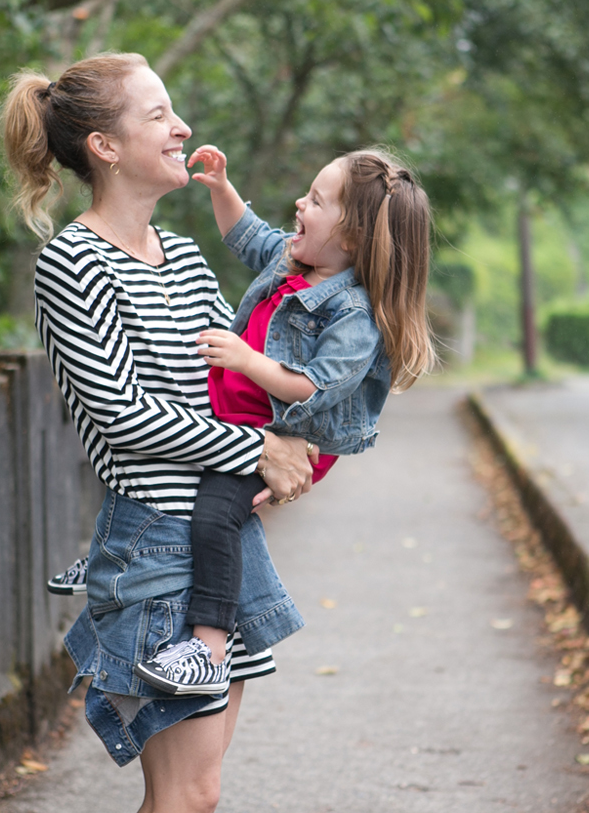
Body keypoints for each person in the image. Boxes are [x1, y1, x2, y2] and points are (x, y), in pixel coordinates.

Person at [1, 52, 315, 813]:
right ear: (104, 145)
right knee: (184, 795)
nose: (181, 127)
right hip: (153, 545)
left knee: (196, 797)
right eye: (159, 113)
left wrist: (279, 444)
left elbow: (226, 383)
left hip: (219, 538)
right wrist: (252, 452)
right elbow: (121, 419)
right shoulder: (72, 263)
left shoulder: (181, 255)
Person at [49, 142, 434, 695]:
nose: (299, 204)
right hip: (246, 416)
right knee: (173, 476)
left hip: (288, 434)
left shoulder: (353, 314)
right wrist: (223, 188)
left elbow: (315, 387)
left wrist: (247, 359)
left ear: (351, 237)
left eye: (316, 201)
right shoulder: (294, 261)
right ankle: (117, 554)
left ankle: (207, 646)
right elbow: (247, 235)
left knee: (213, 515)